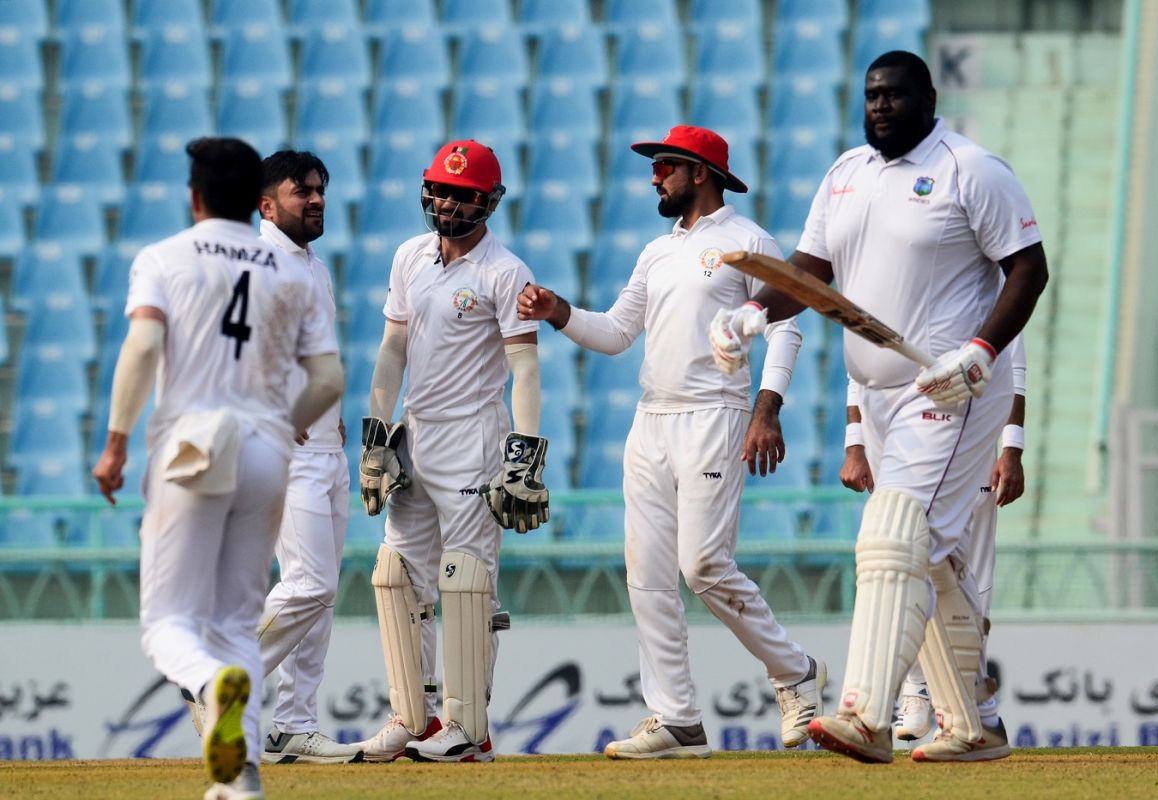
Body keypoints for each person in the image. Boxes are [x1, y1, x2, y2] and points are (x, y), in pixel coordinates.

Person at [709, 51, 1048, 763]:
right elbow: (812, 275)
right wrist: (753, 316)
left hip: (948, 391)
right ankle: (973, 723)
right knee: (928, 559)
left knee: (892, 536)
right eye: (871, 96)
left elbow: (1029, 268)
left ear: (927, 97)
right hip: (884, 396)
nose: (880, 106)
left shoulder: (971, 168)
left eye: (894, 95)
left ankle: (866, 713)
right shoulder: (845, 174)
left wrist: (981, 352)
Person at [517, 125, 827, 760]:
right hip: (651, 419)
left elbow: (786, 327)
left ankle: (795, 672)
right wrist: (559, 312)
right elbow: (615, 332)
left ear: (699, 173)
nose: (653, 178)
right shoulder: (656, 253)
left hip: (715, 414)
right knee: (649, 577)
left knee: (704, 566)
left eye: (664, 167)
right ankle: (675, 716)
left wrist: (767, 408)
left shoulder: (748, 242)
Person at [92, 137, 344, 799]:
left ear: (196, 196)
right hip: (268, 449)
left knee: (169, 625)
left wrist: (116, 443)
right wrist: (284, 426)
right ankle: (242, 779)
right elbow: (329, 378)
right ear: (251, 201)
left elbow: (144, 344)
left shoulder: (165, 258)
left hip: (192, 447)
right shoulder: (293, 271)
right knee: (238, 621)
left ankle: (207, 684)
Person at [351, 140, 550, 764]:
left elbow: (525, 370)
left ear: (488, 202)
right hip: (417, 433)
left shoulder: (505, 271)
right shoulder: (410, 256)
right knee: (396, 577)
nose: (448, 202)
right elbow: (391, 351)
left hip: (475, 439)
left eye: (463, 195)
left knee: (465, 584)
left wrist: (524, 455)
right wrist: (376, 435)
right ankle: (412, 719)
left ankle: (470, 728)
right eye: (440, 190)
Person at [839, 334, 1028, 742]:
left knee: (965, 573)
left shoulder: (985, 277)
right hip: (894, 440)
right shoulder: (883, 280)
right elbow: (861, 368)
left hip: (965, 435)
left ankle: (954, 700)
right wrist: (854, 443)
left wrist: (1012, 448)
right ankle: (932, 698)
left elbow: (1014, 366)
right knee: (902, 554)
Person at [254, 150, 363, 765]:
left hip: (325, 446)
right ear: (267, 204)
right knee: (309, 584)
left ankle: (294, 723)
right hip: (286, 452)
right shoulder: (260, 263)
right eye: (303, 192)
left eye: (321, 189)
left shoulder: (312, 267)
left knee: (318, 600)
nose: (317, 199)